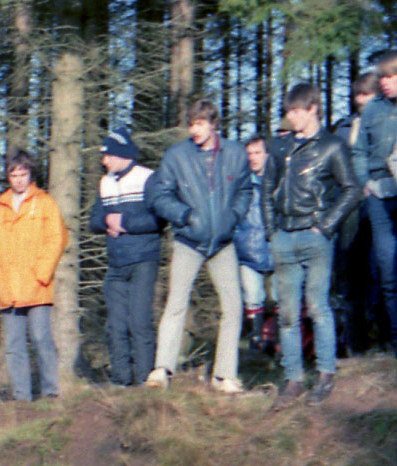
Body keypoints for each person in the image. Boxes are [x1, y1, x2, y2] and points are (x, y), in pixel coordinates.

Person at [146, 98, 252, 393]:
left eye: (201, 124)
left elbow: (245, 190)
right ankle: (161, 370)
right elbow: (159, 196)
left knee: (233, 306)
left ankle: (225, 375)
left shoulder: (235, 153)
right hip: (188, 241)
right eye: (191, 124)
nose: (195, 130)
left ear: (213, 124)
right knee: (175, 304)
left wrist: (233, 217)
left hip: (223, 242)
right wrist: (184, 216)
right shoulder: (176, 156)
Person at [266, 82, 362, 409]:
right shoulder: (279, 148)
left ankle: (325, 372)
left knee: (318, 307)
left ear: (312, 109)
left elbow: (352, 189)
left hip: (315, 235)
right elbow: (266, 190)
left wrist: (325, 226)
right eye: (288, 111)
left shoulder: (333, 146)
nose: (291, 117)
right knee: (288, 314)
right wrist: (271, 231)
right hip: (284, 237)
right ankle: (292, 378)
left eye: (296, 110)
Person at [0, 150, 69, 401]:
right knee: (14, 346)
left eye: (23, 174)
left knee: (42, 338)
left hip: (37, 287)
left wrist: (41, 274)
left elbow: (57, 239)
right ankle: (22, 398)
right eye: (14, 174)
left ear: (30, 175)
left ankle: (51, 392)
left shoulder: (44, 203)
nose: (19, 179)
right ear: (8, 177)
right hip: (8, 289)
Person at [87, 127, 161, 387]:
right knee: (115, 325)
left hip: (143, 259)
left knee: (140, 322)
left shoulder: (148, 178)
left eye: (107, 155)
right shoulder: (105, 182)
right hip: (116, 263)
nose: (104, 160)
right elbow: (93, 221)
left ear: (121, 154)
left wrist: (125, 221)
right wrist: (107, 220)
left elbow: (158, 219)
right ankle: (121, 380)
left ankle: (144, 380)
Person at [333, 72, 382, 353]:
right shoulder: (342, 127)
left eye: (366, 94)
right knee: (350, 275)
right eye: (357, 95)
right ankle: (355, 342)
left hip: (380, 204)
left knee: (382, 273)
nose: (360, 100)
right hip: (349, 210)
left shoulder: (389, 122)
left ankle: (385, 340)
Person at [353, 51, 397, 352]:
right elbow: (358, 151)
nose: (384, 82)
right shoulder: (373, 110)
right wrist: (365, 183)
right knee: (386, 268)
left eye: (390, 76)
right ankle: (395, 340)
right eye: (381, 76)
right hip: (380, 197)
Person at [236, 137, 276, 350]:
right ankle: (255, 342)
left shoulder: (280, 180)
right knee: (252, 298)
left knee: (281, 299)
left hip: (277, 247)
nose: (252, 158)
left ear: (267, 154)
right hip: (247, 249)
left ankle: (276, 342)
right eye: (249, 153)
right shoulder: (240, 183)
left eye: (257, 153)